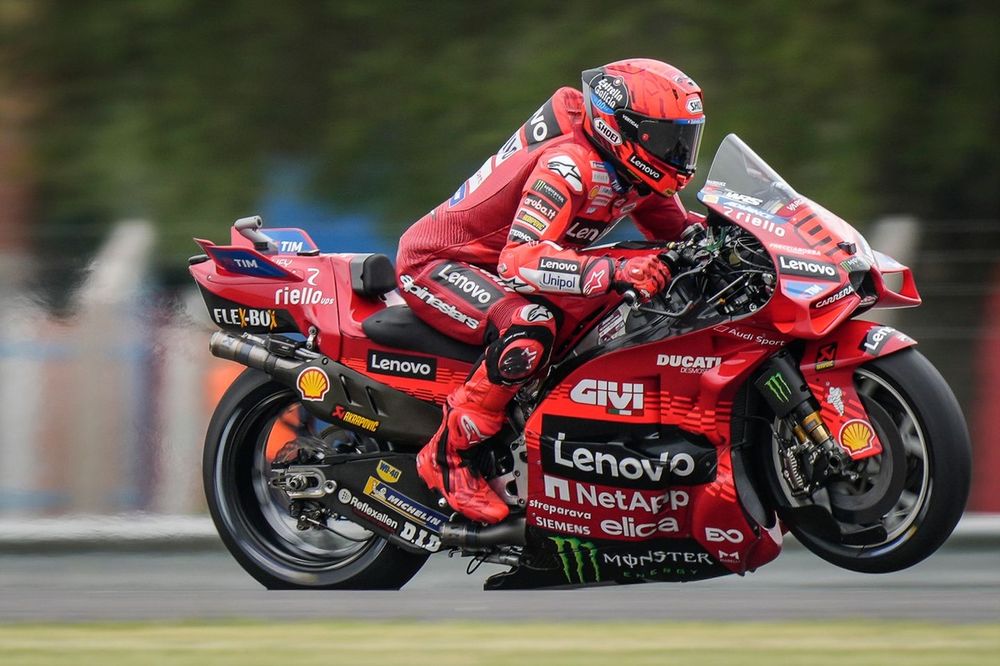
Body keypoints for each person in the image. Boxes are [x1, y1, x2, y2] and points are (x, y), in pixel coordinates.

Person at [396, 58, 706, 524]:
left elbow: (682, 232)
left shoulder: (635, 170)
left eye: (685, 138)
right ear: (621, 129)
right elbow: (517, 260)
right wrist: (614, 272)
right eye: (665, 139)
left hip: (505, 267)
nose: (678, 152)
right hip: (442, 263)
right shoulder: (569, 167)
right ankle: (448, 456)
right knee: (530, 326)